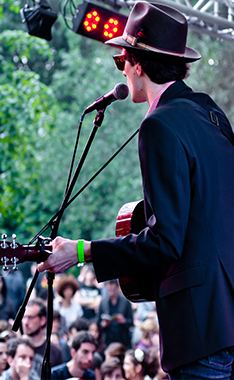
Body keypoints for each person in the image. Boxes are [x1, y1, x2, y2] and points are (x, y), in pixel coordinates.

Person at [38, 1, 234, 379]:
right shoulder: (210, 113)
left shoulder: (158, 126)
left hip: (200, 330)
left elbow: (165, 240)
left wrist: (81, 250)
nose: (123, 70)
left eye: (120, 61)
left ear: (137, 63)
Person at [21, 298, 63, 377]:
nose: (25, 322)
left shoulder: (54, 351)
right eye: (24, 317)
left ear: (42, 320)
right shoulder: (15, 347)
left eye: (30, 318)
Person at [97, 280, 133, 349]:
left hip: (122, 337)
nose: (111, 293)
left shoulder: (125, 302)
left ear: (117, 288)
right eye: (109, 290)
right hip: (108, 338)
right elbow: (98, 322)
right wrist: (103, 324)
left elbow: (131, 322)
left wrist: (124, 321)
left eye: (113, 290)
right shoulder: (103, 303)